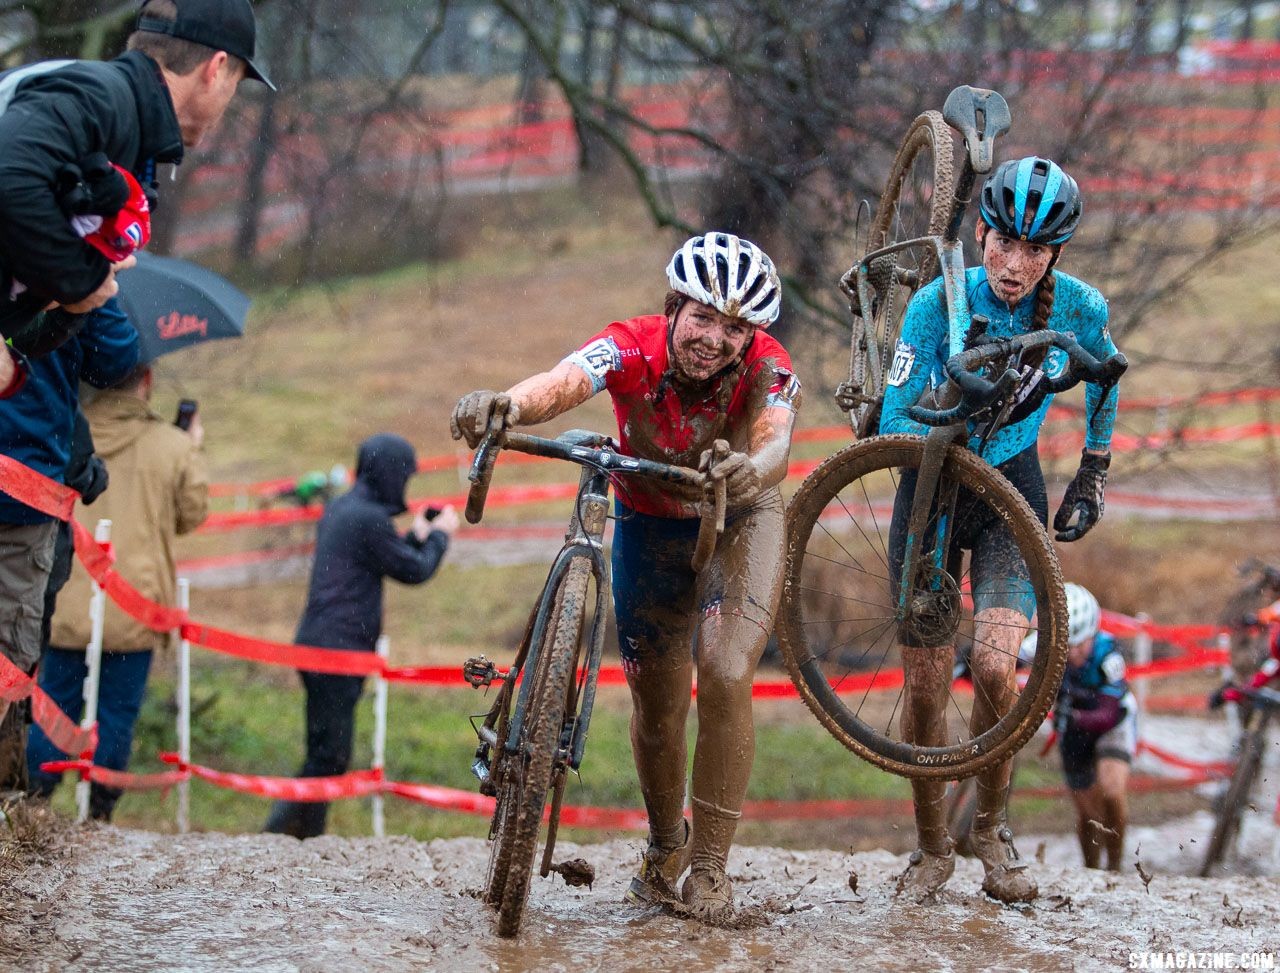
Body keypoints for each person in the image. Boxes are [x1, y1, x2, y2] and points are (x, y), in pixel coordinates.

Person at [451, 231, 801, 920]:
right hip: (648, 518)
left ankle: (709, 870)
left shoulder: (770, 366)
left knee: (726, 670)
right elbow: (565, 380)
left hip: (741, 514)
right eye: (701, 316)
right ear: (673, 308)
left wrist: (748, 470)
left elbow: (777, 439)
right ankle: (666, 846)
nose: (713, 338)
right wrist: (507, 407)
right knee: (659, 707)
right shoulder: (630, 343)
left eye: (733, 327)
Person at [880, 157, 1120, 903]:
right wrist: (948, 401)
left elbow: (1108, 372)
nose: (1014, 265)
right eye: (1003, 243)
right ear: (982, 231)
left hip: (1010, 487)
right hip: (931, 488)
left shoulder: (1079, 305)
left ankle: (991, 828)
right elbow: (889, 423)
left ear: (1055, 254)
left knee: (993, 666)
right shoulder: (935, 303)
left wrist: (1094, 468)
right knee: (924, 688)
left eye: (1034, 251)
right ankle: (929, 847)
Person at [0, 0, 273, 382]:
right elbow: (10, 177)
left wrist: (71, 307)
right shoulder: (102, 97)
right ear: (216, 69)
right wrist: (83, 279)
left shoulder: (120, 119)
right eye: (237, 82)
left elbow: (22, 321)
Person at [26, 363, 208, 820]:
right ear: (144, 380)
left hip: (67, 601)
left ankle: (33, 803)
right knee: (117, 714)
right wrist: (190, 447)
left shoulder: (64, 431)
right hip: (135, 607)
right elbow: (191, 515)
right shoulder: (171, 446)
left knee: (54, 705)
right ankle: (100, 812)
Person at [264, 435, 459, 839]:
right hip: (338, 651)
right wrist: (440, 536)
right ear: (391, 475)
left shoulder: (345, 510)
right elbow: (414, 570)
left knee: (324, 754)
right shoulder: (368, 519)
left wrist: (418, 534)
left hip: (320, 644)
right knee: (328, 758)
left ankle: (302, 839)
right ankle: (278, 836)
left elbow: (385, 557)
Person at [0, 299, 138, 773]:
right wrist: (93, 287)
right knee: (11, 656)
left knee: (16, 657)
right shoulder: (67, 255)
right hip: (26, 497)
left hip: (33, 496)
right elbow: (117, 360)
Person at [1048, 583, 1137, 872]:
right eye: (1067, 645)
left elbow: (1108, 714)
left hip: (1112, 723)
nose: (1073, 653)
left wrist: (1072, 715)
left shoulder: (1107, 654)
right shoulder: (1046, 646)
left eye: (1080, 644)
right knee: (1088, 814)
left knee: (1111, 793)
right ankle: (1091, 872)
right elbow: (1005, 656)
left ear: (1092, 634)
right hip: (1073, 732)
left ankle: (1115, 867)